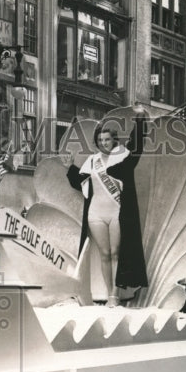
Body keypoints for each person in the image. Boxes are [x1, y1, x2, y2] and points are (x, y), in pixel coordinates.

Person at [65, 105, 150, 306]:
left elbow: (136, 145)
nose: (103, 143)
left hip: (118, 213)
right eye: (100, 140)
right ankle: (107, 291)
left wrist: (140, 120)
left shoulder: (123, 158)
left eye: (107, 140)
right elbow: (79, 182)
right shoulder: (92, 162)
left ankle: (114, 294)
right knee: (104, 253)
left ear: (114, 141)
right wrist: (70, 167)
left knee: (115, 252)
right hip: (95, 213)